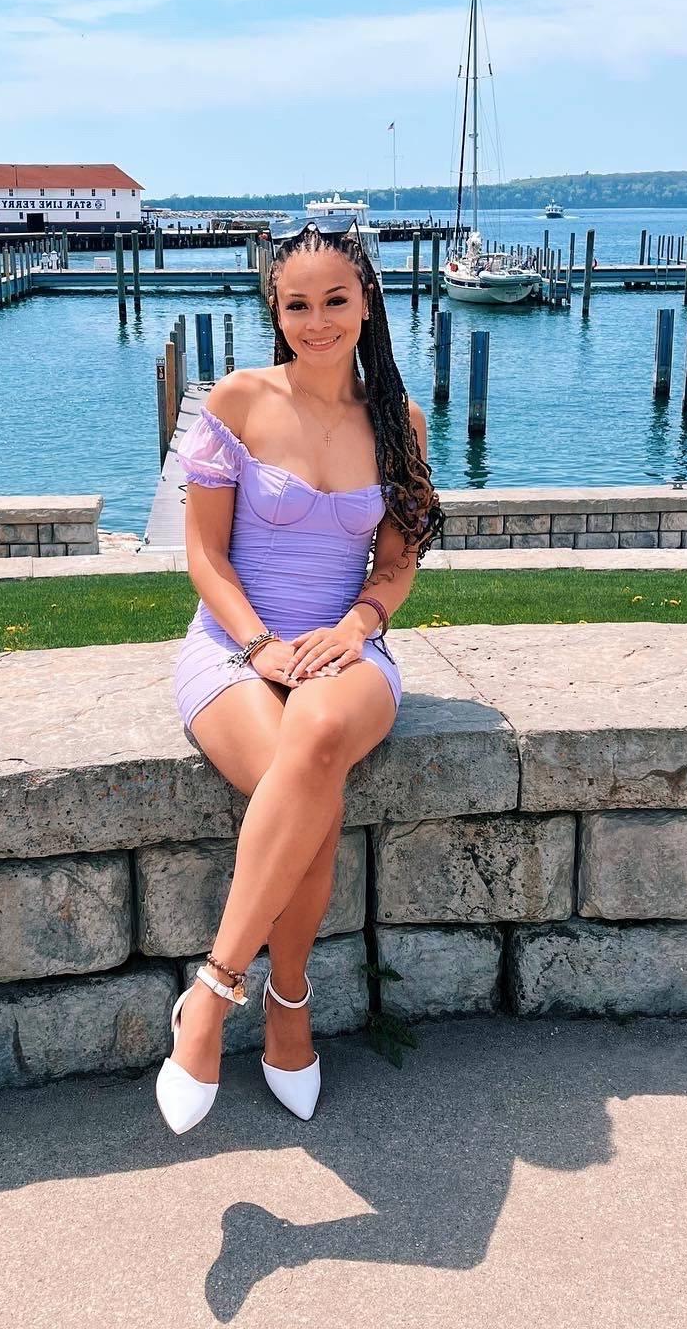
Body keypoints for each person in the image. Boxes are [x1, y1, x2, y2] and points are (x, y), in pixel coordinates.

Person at [157, 218, 442, 1134]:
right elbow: (203, 559)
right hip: (233, 645)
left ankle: (209, 994)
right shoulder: (237, 402)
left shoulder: (399, 422)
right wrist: (257, 647)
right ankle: (285, 1005)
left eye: (335, 301)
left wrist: (357, 626)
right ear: (274, 312)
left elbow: (395, 567)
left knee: (317, 735)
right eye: (297, 305)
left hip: (347, 649)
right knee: (307, 788)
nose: (317, 321)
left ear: (366, 303)